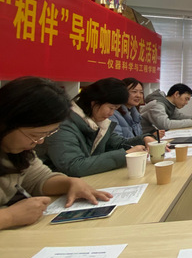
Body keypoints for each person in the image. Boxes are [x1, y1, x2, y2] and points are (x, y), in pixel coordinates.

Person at [0, 77, 112, 230]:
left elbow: (38, 178)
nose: (39, 142)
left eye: (46, 134)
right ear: (6, 121)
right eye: (34, 135)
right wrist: (9, 217)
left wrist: (69, 183)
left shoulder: (18, 151)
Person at [43, 78, 160, 177]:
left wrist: (144, 139)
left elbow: (117, 143)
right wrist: (125, 154)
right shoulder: (63, 126)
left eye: (115, 109)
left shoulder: (98, 122)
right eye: (111, 108)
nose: (112, 113)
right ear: (94, 103)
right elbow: (74, 166)